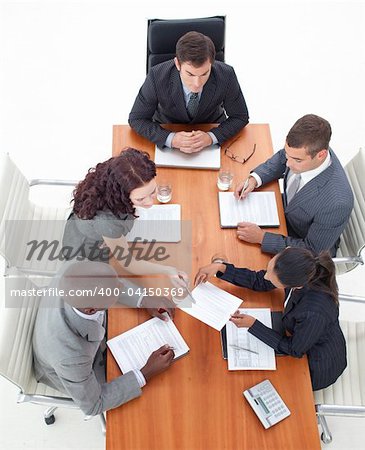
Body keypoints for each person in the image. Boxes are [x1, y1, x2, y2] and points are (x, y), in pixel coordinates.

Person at [33, 261, 175, 416]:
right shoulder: (71, 357)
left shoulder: (74, 270)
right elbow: (94, 405)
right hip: (78, 372)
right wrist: (145, 373)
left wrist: (144, 299)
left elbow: (108, 283)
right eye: (114, 291)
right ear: (91, 309)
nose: (121, 287)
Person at [195, 247, 347, 391]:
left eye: (271, 277)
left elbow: (294, 349)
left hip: (316, 365)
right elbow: (259, 280)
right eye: (269, 269)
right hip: (302, 334)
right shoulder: (301, 266)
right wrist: (221, 268)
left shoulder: (313, 312)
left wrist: (253, 325)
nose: (266, 276)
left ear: (296, 285)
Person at [62, 148, 187, 298]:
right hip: (87, 253)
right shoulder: (108, 222)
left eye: (152, 192)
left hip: (94, 231)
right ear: (121, 196)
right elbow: (129, 263)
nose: (150, 203)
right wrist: (168, 270)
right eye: (140, 199)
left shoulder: (111, 176)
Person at [234, 114, 354, 256]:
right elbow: (281, 157)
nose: (288, 164)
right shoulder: (310, 148)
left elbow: (312, 250)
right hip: (284, 213)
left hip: (300, 246)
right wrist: (255, 179)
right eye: (287, 155)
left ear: (321, 155)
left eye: (297, 160)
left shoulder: (337, 203)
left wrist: (262, 238)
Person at [128, 31, 249, 153]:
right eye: (190, 74)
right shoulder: (157, 76)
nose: (197, 83)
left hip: (210, 129)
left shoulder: (226, 74)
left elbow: (240, 116)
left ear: (211, 64)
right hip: (168, 128)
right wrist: (171, 139)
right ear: (177, 64)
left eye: (204, 74)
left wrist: (211, 137)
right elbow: (137, 119)